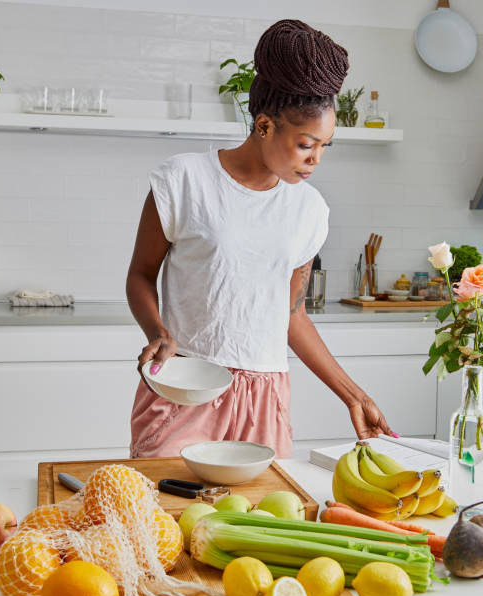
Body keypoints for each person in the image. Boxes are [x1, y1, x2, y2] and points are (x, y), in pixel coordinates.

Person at [126, 19, 395, 459]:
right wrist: (156, 331)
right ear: (265, 126)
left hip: (264, 401)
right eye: (307, 144)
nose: (316, 160)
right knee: (166, 520)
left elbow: (290, 315)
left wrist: (353, 395)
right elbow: (139, 274)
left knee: (259, 521)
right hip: (185, 388)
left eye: (326, 146)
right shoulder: (184, 180)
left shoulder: (309, 211)